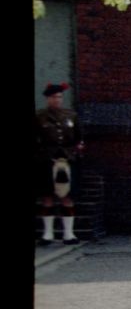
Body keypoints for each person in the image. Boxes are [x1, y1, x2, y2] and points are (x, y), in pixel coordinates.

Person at [36, 83, 85, 245]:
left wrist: (77, 150)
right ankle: (48, 234)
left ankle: (68, 234)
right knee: (47, 197)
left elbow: (79, 138)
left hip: (67, 161)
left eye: (59, 97)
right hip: (46, 161)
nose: (57, 100)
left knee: (67, 197)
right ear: (48, 99)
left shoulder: (71, 116)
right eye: (53, 97)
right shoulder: (40, 116)